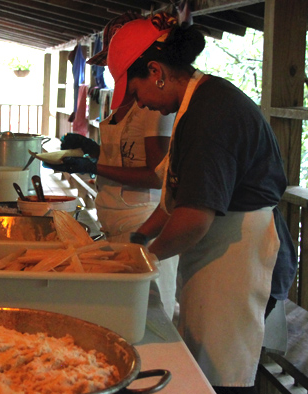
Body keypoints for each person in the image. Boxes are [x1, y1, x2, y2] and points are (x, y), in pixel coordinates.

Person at [104, 12, 297, 394]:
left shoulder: (210, 113)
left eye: (136, 90)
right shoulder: (195, 103)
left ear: (156, 71)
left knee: (225, 374)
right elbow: (174, 199)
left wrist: (145, 260)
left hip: (243, 254)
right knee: (204, 362)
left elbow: (193, 219)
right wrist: (137, 240)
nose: (139, 103)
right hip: (221, 252)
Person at [45, 12, 179, 319]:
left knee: (150, 314)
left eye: (116, 61)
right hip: (116, 223)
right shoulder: (124, 100)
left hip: (143, 224)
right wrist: (92, 150)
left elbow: (156, 177)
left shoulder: (153, 106)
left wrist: (94, 166)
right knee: (120, 311)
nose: (110, 68)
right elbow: (124, 153)